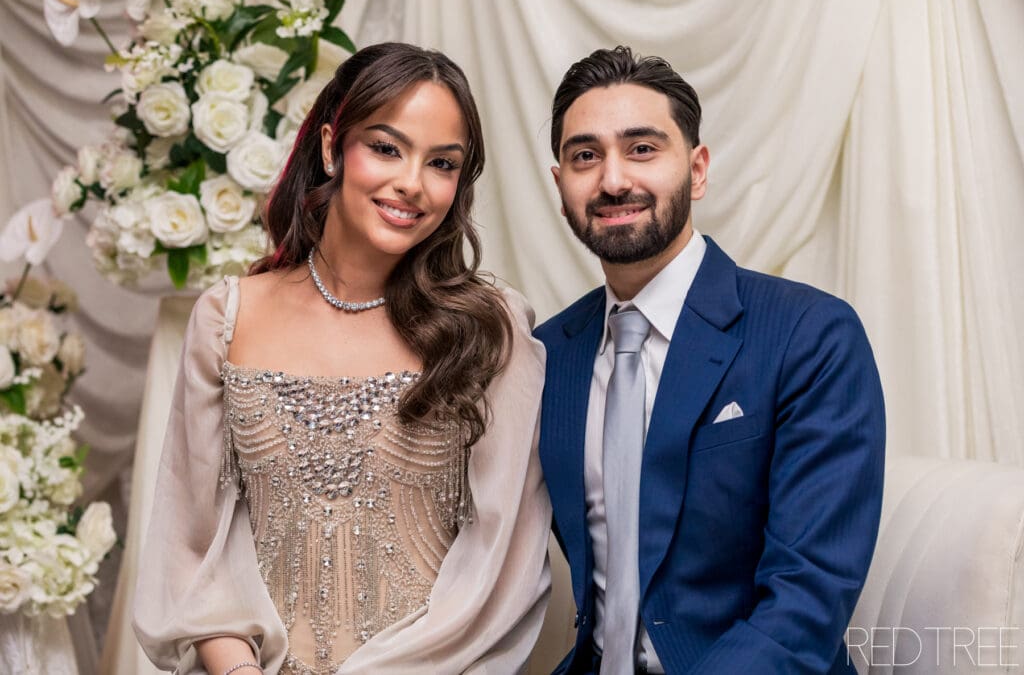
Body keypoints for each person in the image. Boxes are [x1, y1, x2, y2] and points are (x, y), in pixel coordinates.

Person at [133, 42, 551, 675]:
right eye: (386, 148)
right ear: (332, 147)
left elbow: (504, 569)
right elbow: (189, 549)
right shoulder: (226, 318)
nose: (412, 183)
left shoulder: (491, 330)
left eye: (442, 163)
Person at [535, 46, 885, 674]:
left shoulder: (808, 335)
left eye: (642, 148)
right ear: (561, 186)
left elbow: (807, 599)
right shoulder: (549, 354)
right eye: (586, 156)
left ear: (697, 170)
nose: (613, 180)